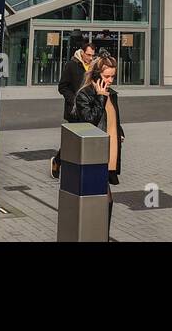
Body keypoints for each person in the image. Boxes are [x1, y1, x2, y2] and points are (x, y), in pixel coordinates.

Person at [72, 53, 123, 238]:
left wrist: (120, 132)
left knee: (105, 199)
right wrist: (100, 98)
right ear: (96, 75)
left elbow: (113, 119)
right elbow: (89, 122)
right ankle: (101, 235)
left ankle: (101, 234)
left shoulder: (112, 95)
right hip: (94, 154)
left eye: (113, 76)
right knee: (105, 199)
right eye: (107, 76)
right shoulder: (85, 95)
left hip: (110, 153)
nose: (110, 80)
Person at [51, 35, 94, 179]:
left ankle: (82, 168)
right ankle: (57, 161)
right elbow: (62, 87)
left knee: (87, 140)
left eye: (92, 55)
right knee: (72, 141)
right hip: (74, 110)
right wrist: (73, 99)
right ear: (82, 53)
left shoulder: (94, 67)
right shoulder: (71, 65)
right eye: (88, 55)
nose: (90, 58)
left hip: (88, 109)